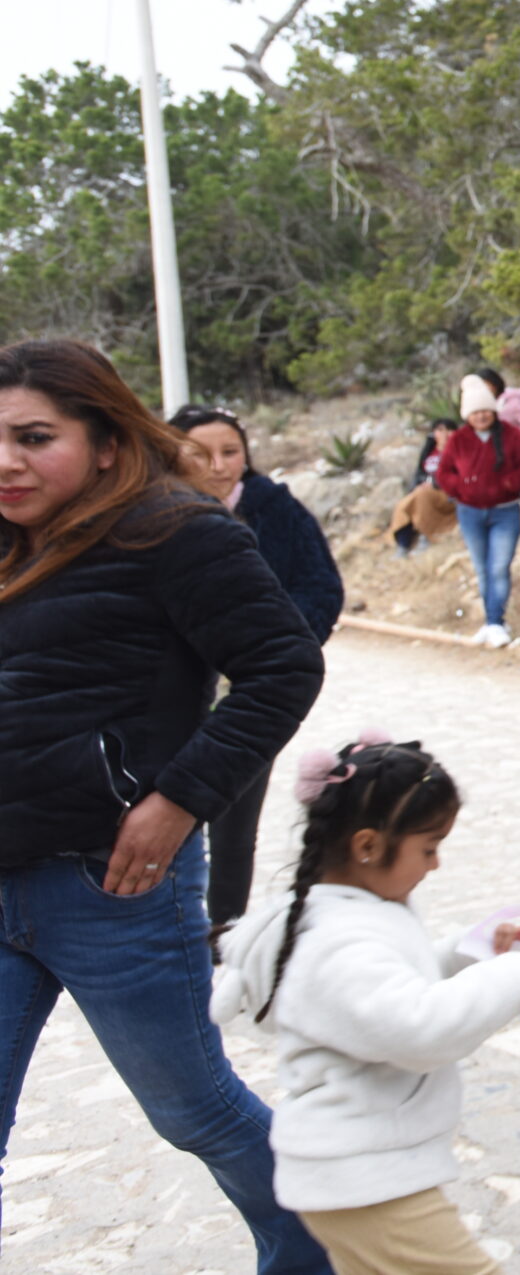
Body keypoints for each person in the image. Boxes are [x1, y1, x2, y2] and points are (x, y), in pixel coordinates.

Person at [0, 338, 330, 1275]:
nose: (6, 461)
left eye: (34, 437)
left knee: (195, 1109)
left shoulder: (176, 532)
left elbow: (283, 665)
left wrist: (182, 799)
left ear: (106, 441)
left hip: (110, 883)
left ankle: (325, 1242)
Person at [212, 732, 520, 1275]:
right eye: (429, 848)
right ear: (367, 846)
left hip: (358, 1178)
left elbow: (390, 988)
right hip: (362, 1181)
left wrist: (474, 952)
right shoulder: (337, 942)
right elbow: (421, 1029)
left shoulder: (350, 912)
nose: (435, 865)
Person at [172, 404, 347, 929]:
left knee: (234, 820)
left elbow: (322, 587)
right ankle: (175, 925)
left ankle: (224, 929)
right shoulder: (148, 516)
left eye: (231, 452)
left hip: (248, 695)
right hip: (170, 697)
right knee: (169, 818)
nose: (219, 465)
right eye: (201, 453)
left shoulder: (276, 509)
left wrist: (277, 644)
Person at [433, 373, 520, 649]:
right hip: (469, 512)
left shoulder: (511, 434)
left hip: (505, 511)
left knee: (499, 566)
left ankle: (496, 622)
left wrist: (507, 484)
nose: (481, 417)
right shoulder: (458, 439)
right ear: (467, 414)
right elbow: (444, 473)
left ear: (493, 410)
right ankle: (492, 622)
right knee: (482, 569)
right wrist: (461, 489)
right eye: (475, 412)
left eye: (485, 411)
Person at [389, 417, 459, 555]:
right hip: (423, 490)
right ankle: (403, 542)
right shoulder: (428, 451)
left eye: (449, 430)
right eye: (440, 430)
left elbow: (460, 475)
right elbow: (419, 473)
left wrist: (434, 483)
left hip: (448, 494)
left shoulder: (459, 451)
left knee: (422, 496)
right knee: (404, 503)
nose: (445, 434)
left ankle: (426, 536)